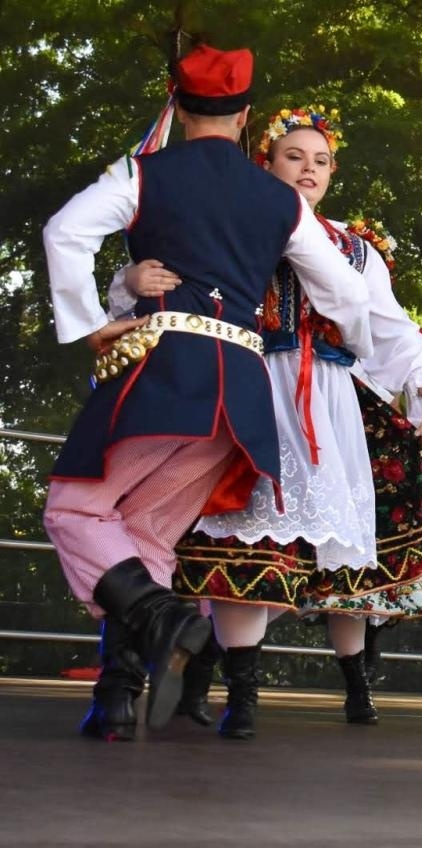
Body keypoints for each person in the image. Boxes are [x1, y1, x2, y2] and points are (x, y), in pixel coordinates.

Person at [41, 45, 372, 741]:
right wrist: (360, 351)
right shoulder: (281, 201)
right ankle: (118, 700)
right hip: (244, 396)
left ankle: (164, 618)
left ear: (177, 105)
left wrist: (92, 327)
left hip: (165, 373)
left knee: (74, 508)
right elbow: (344, 289)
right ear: (247, 116)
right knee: (147, 537)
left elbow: (64, 231)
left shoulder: (144, 174)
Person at [150, 105, 422, 740]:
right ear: (266, 160)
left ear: (332, 172)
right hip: (251, 385)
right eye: (294, 156)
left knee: (329, 555)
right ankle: (243, 699)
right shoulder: (239, 219)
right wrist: (133, 280)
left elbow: (393, 330)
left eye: (320, 161)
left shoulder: (354, 247)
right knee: (246, 540)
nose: (308, 169)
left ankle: (340, 686)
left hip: (329, 404)